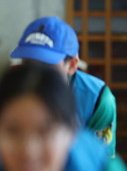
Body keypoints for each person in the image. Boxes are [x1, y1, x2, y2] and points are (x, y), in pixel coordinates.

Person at [10, 16, 116, 155]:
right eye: (28, 64)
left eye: (47, 65)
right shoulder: (11, 89)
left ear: (72, 65)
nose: (36, 73)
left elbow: (100, 160)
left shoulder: (96, 99)